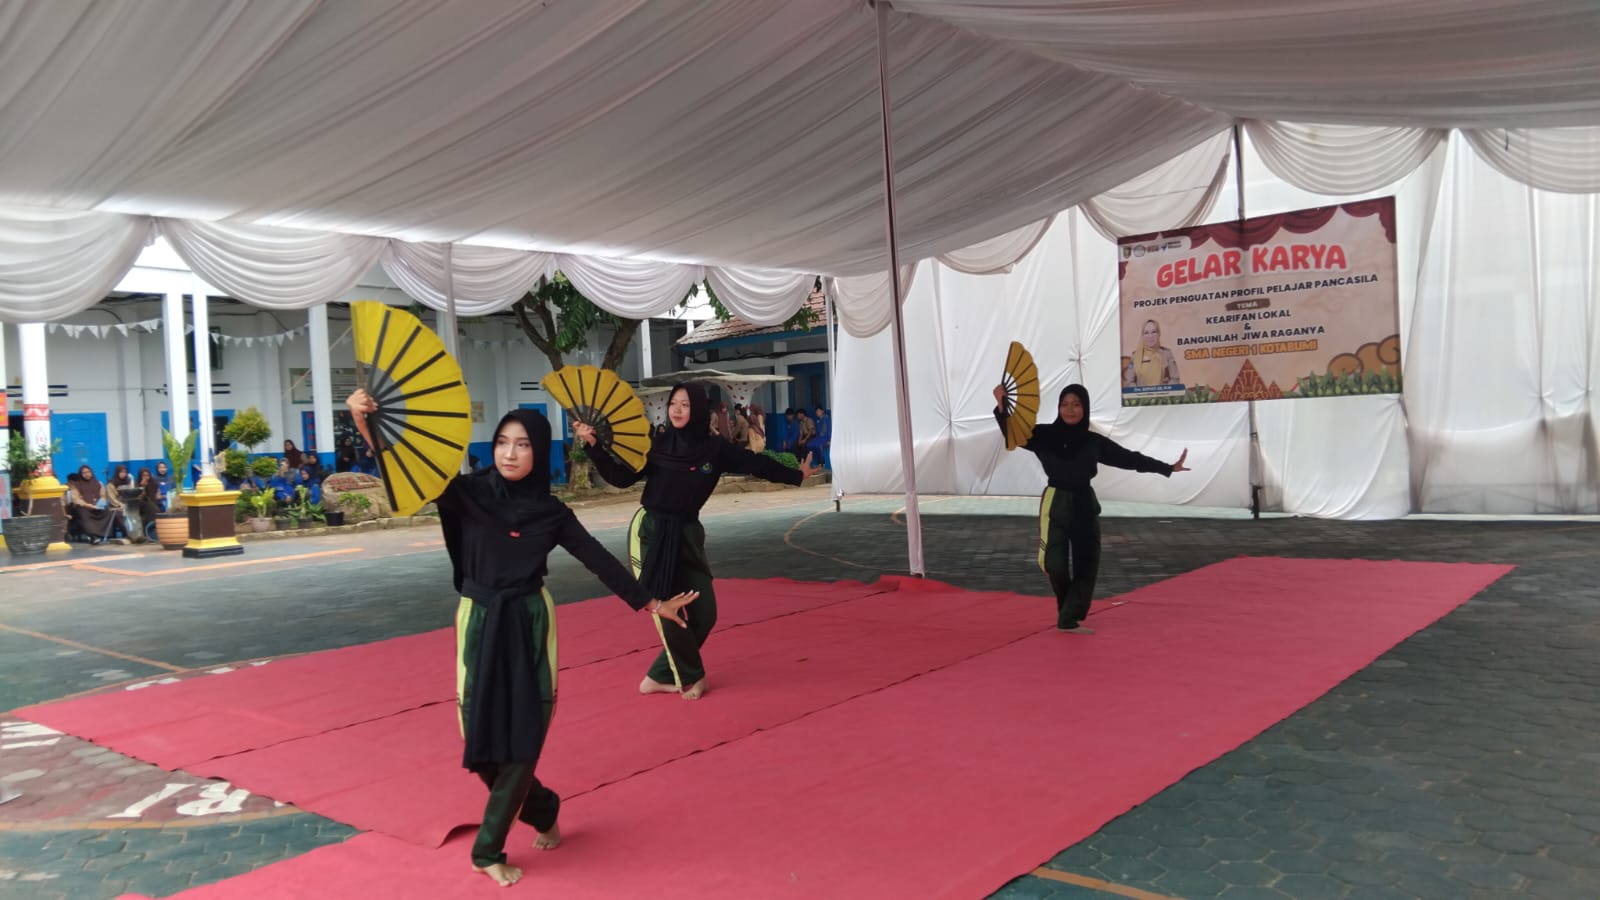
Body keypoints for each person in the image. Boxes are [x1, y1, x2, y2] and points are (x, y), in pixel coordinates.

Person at [345, 389, 697, 889]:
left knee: (524, 735)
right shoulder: (466, 492)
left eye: (523, 444)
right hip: (478, 619)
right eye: (503, 442)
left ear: (539, 451)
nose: (510, 453)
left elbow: (597, 558)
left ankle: (487, 850)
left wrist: (652, 603)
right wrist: (366, 425)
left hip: (530, 622)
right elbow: (411, 471)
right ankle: (544, 807)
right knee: (482, 744)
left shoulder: (550, 512)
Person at [575, 382, 819, 700]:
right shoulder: (657, 445)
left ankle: (659, 675)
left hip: (688, 532)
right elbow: (621, 478)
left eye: (685, 404)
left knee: (705, 612)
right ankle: (691, 677)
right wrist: (594, 446)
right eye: (673, 403)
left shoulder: (714, 449)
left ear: (700, 409)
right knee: (668, 605)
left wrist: (796, 475)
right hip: (652, 531)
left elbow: (755, 464)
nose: (676, 410)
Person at [993, 382, 1190, 634]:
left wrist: (1167, 467)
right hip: (1055, 502)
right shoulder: (1042, 435)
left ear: (1085, 408)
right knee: (1054, 563)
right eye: (1065, 404)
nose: (1070, 410)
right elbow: (1013, 432)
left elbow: (1130, 458)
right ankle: (1068, 607)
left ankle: (1068, 618)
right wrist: (1001, 406)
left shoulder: (1093, 442)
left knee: (1086, 563)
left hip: (1084, 503)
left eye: (1076, 404)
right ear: (1058, 407)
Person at [66, 465, 129, 543]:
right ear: (80, 474)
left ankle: (107, 534)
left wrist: (99, 504)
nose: (87, 474)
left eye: (88, 472)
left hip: (97, 506)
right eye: (84, 472)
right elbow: (76, 498)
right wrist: (87, 505)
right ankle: (93, 536)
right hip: (85, 507)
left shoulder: (98, 483)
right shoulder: (76, 485)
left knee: (107, 511)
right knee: (83, 513)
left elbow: (103, 496)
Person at [1123, 319, 1181, 387]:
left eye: (1154, 332)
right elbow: (1130, 381)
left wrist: (1165, 390)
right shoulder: (1135, 356)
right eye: (1146, 333)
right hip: (1142, 393)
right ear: (1142, 336)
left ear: (1159, 334)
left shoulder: (1166, 354)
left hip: (1163, 393)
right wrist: (1139, 391)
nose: (1150, 336)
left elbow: (1175, 379)